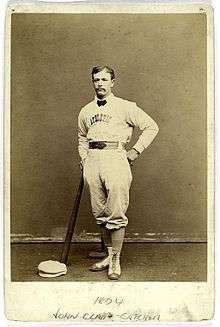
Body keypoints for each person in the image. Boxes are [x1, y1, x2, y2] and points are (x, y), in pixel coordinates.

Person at [78, 65, 159, 280]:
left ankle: (115, 260)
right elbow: (82, 138)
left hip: (116, 157)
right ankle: (107, 254)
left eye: (105, 80)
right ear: (92, 82)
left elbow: (151, 126)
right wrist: (85, 159)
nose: (100, 84)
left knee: (115, 211)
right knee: (99, 212)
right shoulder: (86, 110)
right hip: (93, 161)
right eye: (96, 80)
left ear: (112, 82)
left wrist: (135, 150)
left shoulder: (125, 106)